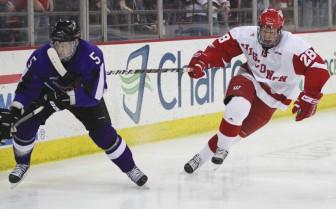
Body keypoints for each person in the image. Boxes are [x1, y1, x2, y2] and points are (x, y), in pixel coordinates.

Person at [0, 19, 148, 187]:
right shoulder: (40, 58)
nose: (61, 49)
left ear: (76, 42)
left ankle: (131, 168)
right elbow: (26, 87)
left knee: (104, 134)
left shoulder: (92, 55)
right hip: (48, 93)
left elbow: (96, 94)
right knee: (24, 127)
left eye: (66, 45)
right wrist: (16, 109)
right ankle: (22, 164)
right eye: (57, 44)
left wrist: (70, 97)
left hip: (82, 96)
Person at [183, 8, 330, 173]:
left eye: (272, 30)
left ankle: (200, 157)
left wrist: (310, 96)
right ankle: (222, 150)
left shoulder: (294, 46)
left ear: (280, 30)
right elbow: (218, 50)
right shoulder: (245, 35)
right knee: (237, 107)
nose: (268, 34)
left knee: (235, 134)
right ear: (259, 27)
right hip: (249, 77)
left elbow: (319, 69)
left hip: (274, 97)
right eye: (265, 29)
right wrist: (202, 62)